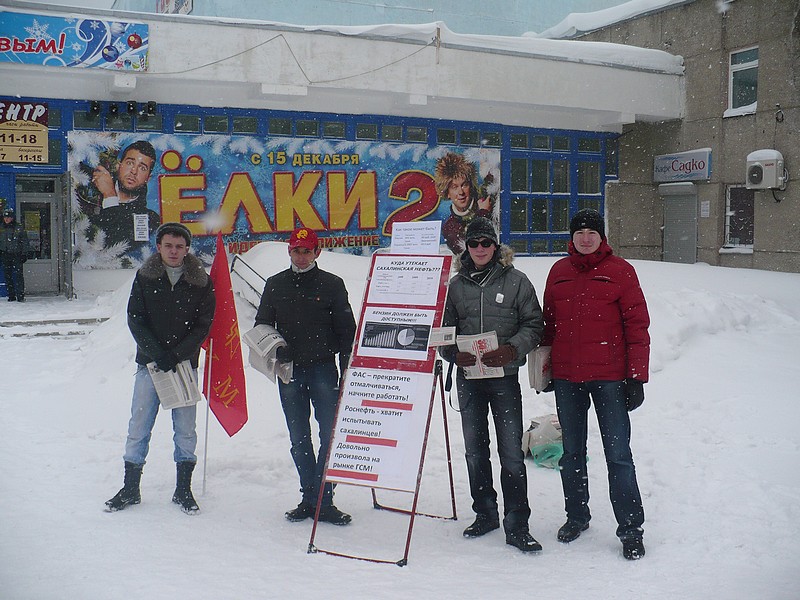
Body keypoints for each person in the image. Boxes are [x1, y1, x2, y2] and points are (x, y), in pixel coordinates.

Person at [540, 208, 650, 560]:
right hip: (568, 378)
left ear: (602, 237)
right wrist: (546, 370)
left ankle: (631, 529)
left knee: (618, 456)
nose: (585, 238)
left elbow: (637, 326)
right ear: (571, 238)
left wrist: (636, 377)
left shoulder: (621, 272)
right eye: (579, 232)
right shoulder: (558, 272)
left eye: (592, 232)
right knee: (572, 453)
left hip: (609, 379)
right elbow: (549, 325)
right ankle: (577, 516)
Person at [439, 216, 544, 553]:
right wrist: (454, 353)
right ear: (466, 248)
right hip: (469, 380)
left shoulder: (516, 281)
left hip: (504, 379)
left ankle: (517, 522)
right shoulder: (456, 286)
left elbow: (534, 324)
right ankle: (484, 512)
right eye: (474, 243)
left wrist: (513, 349)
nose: (480, 249)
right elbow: (443, 331)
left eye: (486, 243)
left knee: (511, 452)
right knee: (474, 450)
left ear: (496, 247)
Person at [105, 222, 215, 514]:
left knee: (185, 430)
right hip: (149, 367)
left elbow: (204, 324)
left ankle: (183, 489)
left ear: (187, 248)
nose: (174, 251)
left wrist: (178, 354)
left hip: (184, 367)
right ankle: (130, 488)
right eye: (169, 245)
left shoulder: (201, 281)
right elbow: (135, 318)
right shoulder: (145, 276)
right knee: (139, 426)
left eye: (180, 246)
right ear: (159, 247)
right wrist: (156, 354)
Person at [254, 227, 356, 525]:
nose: (301, 256)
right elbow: (262, 324)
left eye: (307, 250)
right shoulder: (275, 284)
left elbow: (346, 330)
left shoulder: (332, 284)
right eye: (297, 250)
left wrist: (347, 364)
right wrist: (276, 348)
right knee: (299, 437)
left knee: (329, 434)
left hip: (324, 368)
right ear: (289, 251)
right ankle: (308, 495)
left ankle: (324, 498)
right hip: (290, 371)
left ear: (317, 252)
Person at [88, 140, 160, 253]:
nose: (134, 171)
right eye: (130, 163)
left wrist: (110, 195)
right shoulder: (90, 185)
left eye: (142, 168)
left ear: (148, 178)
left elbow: (116, 247)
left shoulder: (149, 219)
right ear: (119, 165)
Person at [435, 152, 493, 255]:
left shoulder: (486, 199)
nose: (461, 192)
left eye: (464, 185)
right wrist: (483, 214)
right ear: (447, 193)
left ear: (471, 186)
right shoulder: (450, 228)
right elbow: (472, 253)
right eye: (454, 187)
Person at [0, 207, 31, 302]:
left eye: (8, 217)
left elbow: (25, 241)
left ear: (12, 218)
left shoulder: (19, 227)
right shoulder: (1, 228)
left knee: (18, 275)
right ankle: (11, 295)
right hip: (5, 254)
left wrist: (24, 254)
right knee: (7, 275)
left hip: (17, 254)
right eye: (5, 217)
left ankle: (20, 295)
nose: (6, 219)